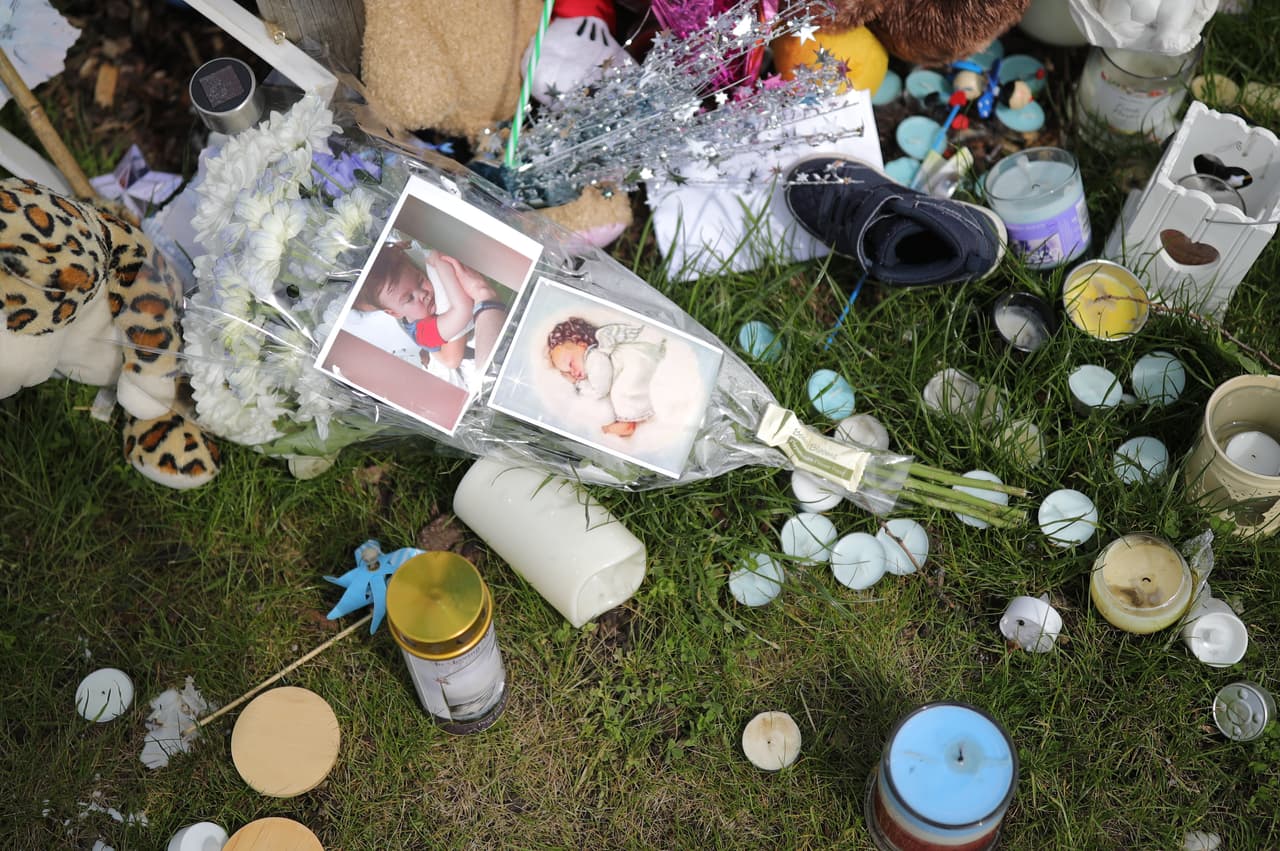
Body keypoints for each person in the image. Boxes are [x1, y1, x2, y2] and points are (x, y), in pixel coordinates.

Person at [352, 242, 509, 384]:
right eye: (409, 298)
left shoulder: (416, 297)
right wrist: (440, 263)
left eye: (420, 280)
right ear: (394, 313)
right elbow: (463, 310)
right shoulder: (423, 332)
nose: (423, 294)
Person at [546, 316, 666, 438]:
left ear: (582, 344)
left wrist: (578, 384)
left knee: (621, 391)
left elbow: (600, 390)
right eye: (569, 372)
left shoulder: (594, 358)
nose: (573, 372)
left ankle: (627, 423)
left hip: (635, 360)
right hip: (637, 359)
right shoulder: (592, 360)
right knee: (625, 387)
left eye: (571, 364)